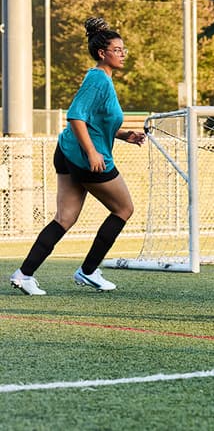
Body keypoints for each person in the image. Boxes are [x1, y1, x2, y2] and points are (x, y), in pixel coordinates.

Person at [10, 17, 146, 295]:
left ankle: (24, 274)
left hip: (67, 152)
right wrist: (93, 152)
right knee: (124, 209)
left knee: (65, 217)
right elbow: (75, 116)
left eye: (123, 49)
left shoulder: (99, 78)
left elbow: (96, 120)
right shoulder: (99, 79)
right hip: (85, 158)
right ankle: (87, 271)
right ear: (102, 53)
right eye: (117, 49)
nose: (122, 54)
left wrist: (124, 135)